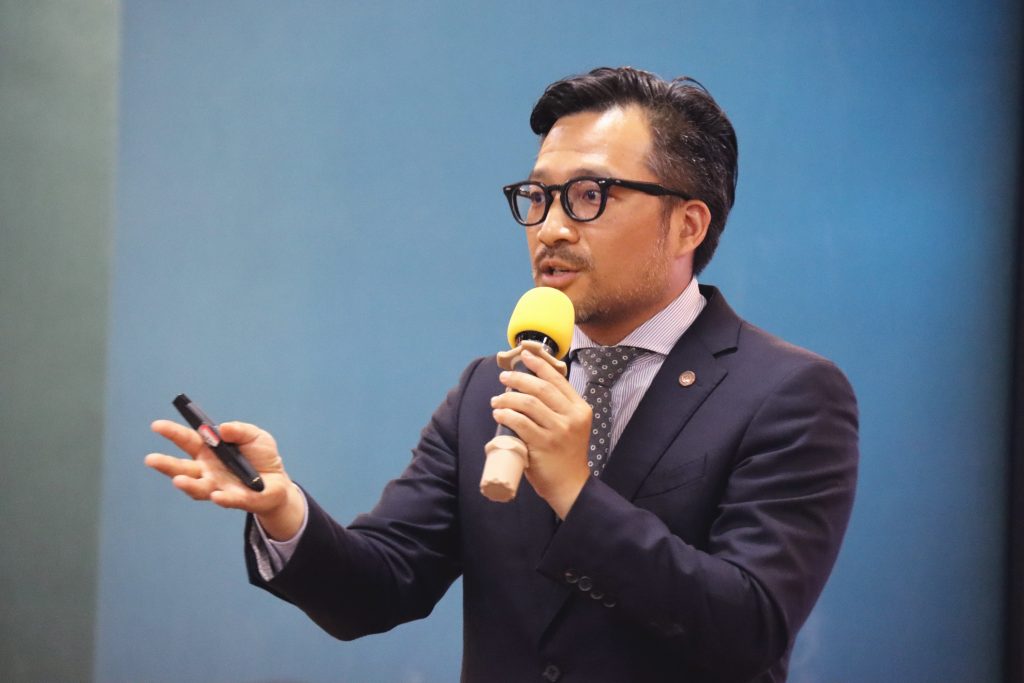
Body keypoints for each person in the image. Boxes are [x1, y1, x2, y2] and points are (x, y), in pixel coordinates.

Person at [146, 66, 858, 683]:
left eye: (590, 195)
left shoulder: (786, 393)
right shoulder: (490, 388)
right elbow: (380, 585)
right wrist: (282, 511)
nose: (550, 227)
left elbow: (750, 626)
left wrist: (575, 492)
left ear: (688, 225)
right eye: (538, 197)